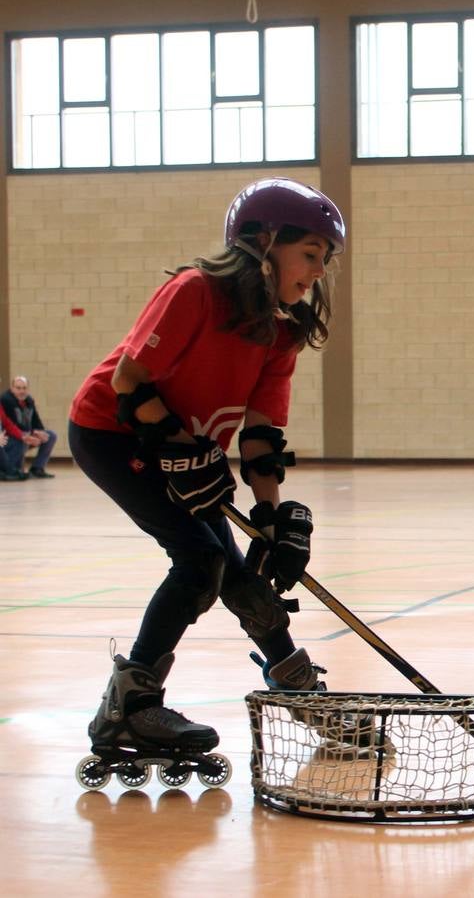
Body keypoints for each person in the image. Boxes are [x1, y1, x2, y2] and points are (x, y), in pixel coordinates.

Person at [68, 177, 349, 773]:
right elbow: (128, 381)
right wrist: (179, 450)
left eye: (324, 260)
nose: (318, 271)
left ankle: (295, 684)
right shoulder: (194, 291)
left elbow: (261, 434)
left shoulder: (281, 329)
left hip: (188, 450)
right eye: (310, 254)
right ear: (263, 240)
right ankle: (130, 704)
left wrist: (270, 518)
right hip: (114, 434)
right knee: (200, 560)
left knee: (243, 576)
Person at [2, 375, 57, 479]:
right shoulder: (6, 400)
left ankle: (37, 468)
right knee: (21, 440)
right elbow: (11, 425)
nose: (22, 391)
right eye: (18, 388)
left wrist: (39, 432)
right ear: (12, 388)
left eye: (24, 388)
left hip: (25, 434)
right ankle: (12, 469)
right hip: (9, 438)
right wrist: (30, 434)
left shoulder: (29, 401)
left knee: (50, 436)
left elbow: (36, 420)